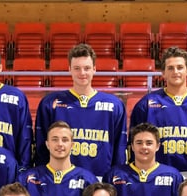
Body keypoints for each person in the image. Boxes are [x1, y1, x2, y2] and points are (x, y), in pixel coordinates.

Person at [34, 43, 127, 180]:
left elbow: (119, 148)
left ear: (94, 69)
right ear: (69, 69)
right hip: (60, 180)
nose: (82, 73)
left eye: (87, 68)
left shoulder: (114, 105)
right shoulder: (50, 103)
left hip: (100, 180)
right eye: (77, 68)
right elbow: (42, 146)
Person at [129, 47, 187, 175]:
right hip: (157, 176)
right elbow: (134, 143)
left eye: (180, 67)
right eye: (170, 68)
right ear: (163, 73)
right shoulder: (146, 104)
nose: (175, 72)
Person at [18, 121, 98, 196]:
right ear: (47, 144)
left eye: (65, 140)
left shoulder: (88, 180)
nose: (60, 144)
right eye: (55, 139)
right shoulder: (26, 178)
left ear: (72, 145)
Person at [108, 122, 184, 196]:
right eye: (139, 143)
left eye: (149, 143)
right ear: (132, 146)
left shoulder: (173, 176)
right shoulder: (114, 174)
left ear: (157, 146)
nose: (144, 147)